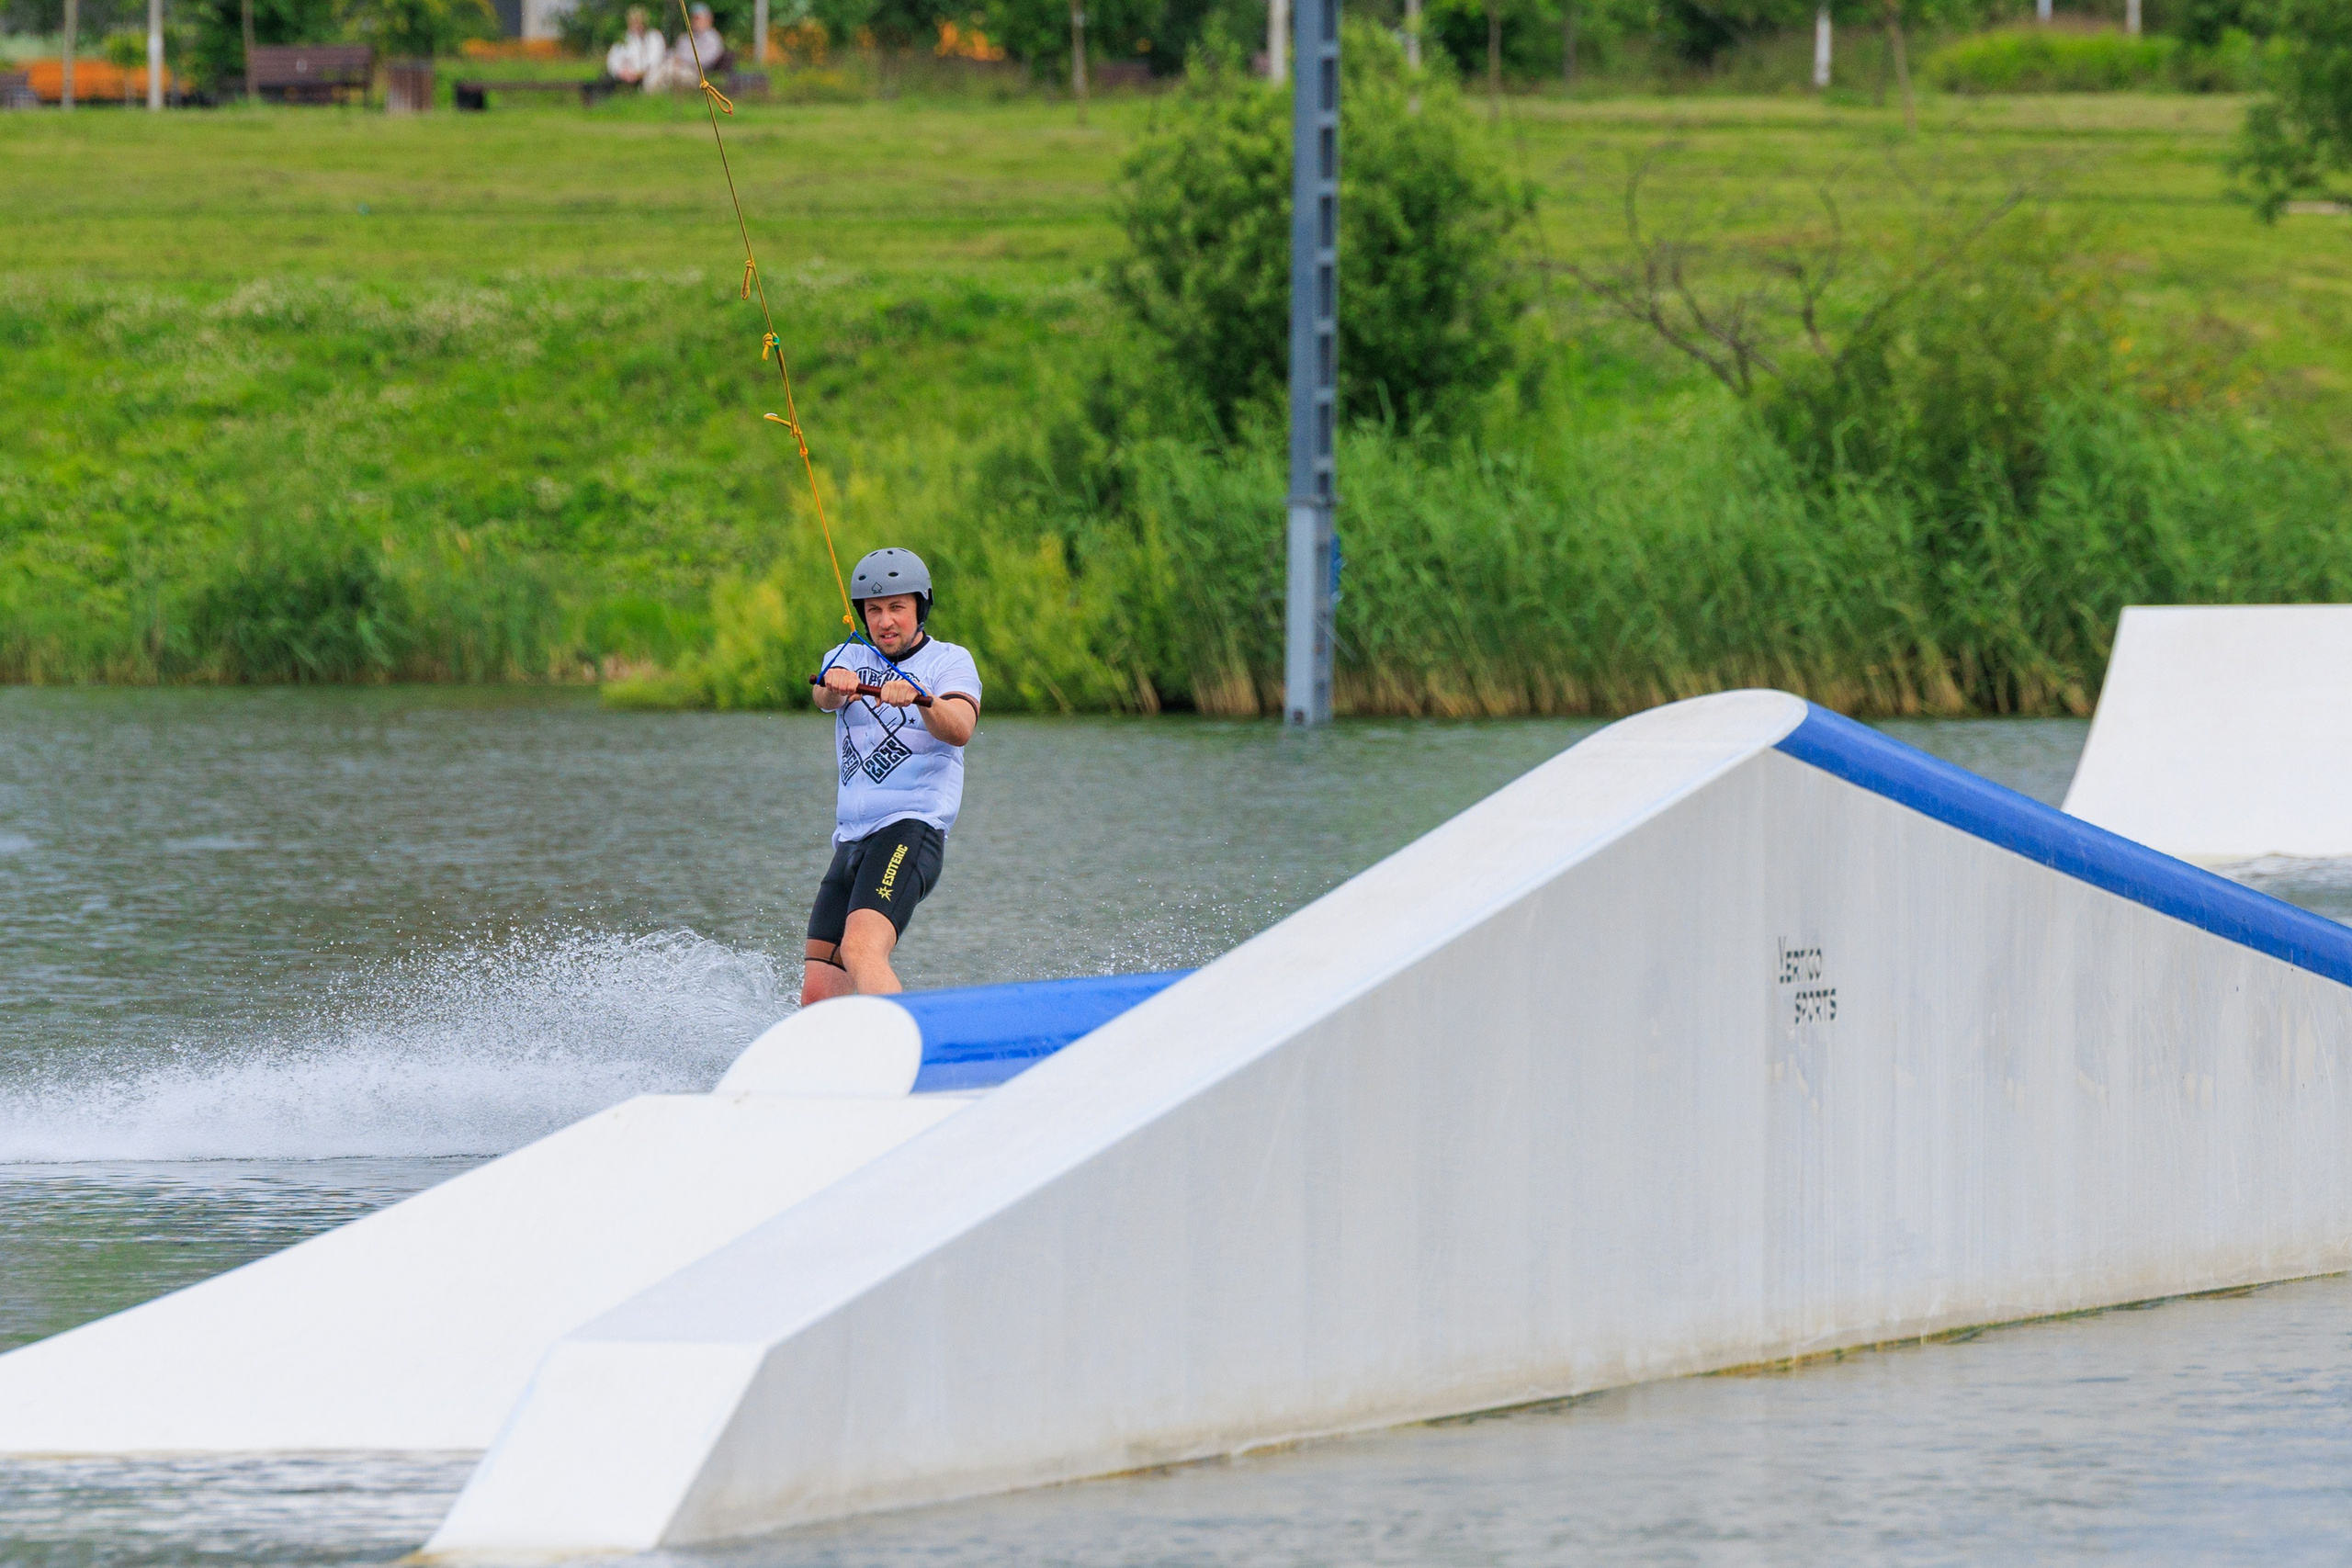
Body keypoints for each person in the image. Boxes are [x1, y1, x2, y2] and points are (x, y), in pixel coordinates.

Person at [803, 547, 981, 1004]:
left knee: (862, 948)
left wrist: (922, 698)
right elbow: (824, 697)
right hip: (850, 840)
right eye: (875, 610)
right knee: (818, 995)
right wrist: (833, 683)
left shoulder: (949, 662)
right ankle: (829, 1071)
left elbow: (959, 729)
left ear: (919, 609)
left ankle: (908, 1056)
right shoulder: (844, 657)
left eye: (897, 608)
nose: (885, 621)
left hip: (910, 829)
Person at [650, 2, 727, 88]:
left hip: (696, 73)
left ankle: (652, 95)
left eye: (698, 18)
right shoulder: (685, 38)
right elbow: (675, 52)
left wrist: (683, 60)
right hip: (676, 66)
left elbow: (707, 59)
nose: (695, 21)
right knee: (658, 68)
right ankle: (649, 95)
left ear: (708, 19)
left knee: (669, 71)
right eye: (693, 18)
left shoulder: (712, 38)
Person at [601, 6, 666, 91]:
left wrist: (637, 73)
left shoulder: (654, 37)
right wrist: (621, 71)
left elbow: (655, 60)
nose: (636, 24)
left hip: (649, 76)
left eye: (638, 21)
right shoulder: (623, 39)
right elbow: (612, 60)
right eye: (633, 21)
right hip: (625, 77)